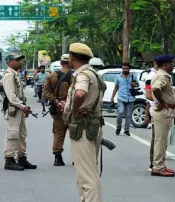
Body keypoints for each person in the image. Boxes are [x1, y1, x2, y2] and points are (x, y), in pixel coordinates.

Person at [62, 43, 106, 201]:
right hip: (92, 125)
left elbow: (80, 94)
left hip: (83, 127)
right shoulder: (94, 73)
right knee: (86, 174)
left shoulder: (82, 75)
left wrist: (74, 109)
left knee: (87, 177)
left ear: (72, 58)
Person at [2, 53, 37, 171]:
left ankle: (21, 158)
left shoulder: (16, 74)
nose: (19, 62)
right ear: (9, 62)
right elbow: (11, 96)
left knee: (22, 135)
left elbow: (20, 95)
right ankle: (9, 159)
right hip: (14, 109)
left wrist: (24, 107)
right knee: (12, 134)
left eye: (20, 60)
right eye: (16, 60)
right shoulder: (8, 76)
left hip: (19, 108)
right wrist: (22, 107)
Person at [151, 55, 175, 177]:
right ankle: (158, 167)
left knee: (162, 140)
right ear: (165, 64)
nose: (173, 65)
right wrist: (162, 102)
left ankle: (160, 165)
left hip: (165, 111)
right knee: (161, 141)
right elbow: (156, 88)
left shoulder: (162, 75)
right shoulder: (163, 76)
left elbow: (165, 90)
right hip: (164, 111)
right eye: (172, 63)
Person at [43, 54, 74, 166]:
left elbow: (46, 93)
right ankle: (76, 158)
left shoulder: (52, 76)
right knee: (75, 134)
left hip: (58, 109)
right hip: (73, 110)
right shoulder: (76, 76)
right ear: (70, 62)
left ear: (61, 63)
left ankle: (57, 158)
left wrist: (56, 101)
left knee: (58, 133)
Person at [110, 63, 139, 136]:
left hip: (130, 98)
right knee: (120, 112)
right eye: (123, 68)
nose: (125, 70)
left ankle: (127, 130)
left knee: (128, 115)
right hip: (121, 98)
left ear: (129, 69)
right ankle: (118, 126)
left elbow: (137, 85)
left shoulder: (133, 76)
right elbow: (116, 87)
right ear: (122, 69)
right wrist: (112, 97)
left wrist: (134, 84)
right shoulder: (118, 77)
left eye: (126, 68)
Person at [144, 60, 159, 171]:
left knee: (160, 139)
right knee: (157, 138)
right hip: (156, 109)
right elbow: (148, 96)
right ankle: (153, 164)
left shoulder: (159, 75)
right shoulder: (151, 76)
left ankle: (157, 163)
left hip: (160, 108)